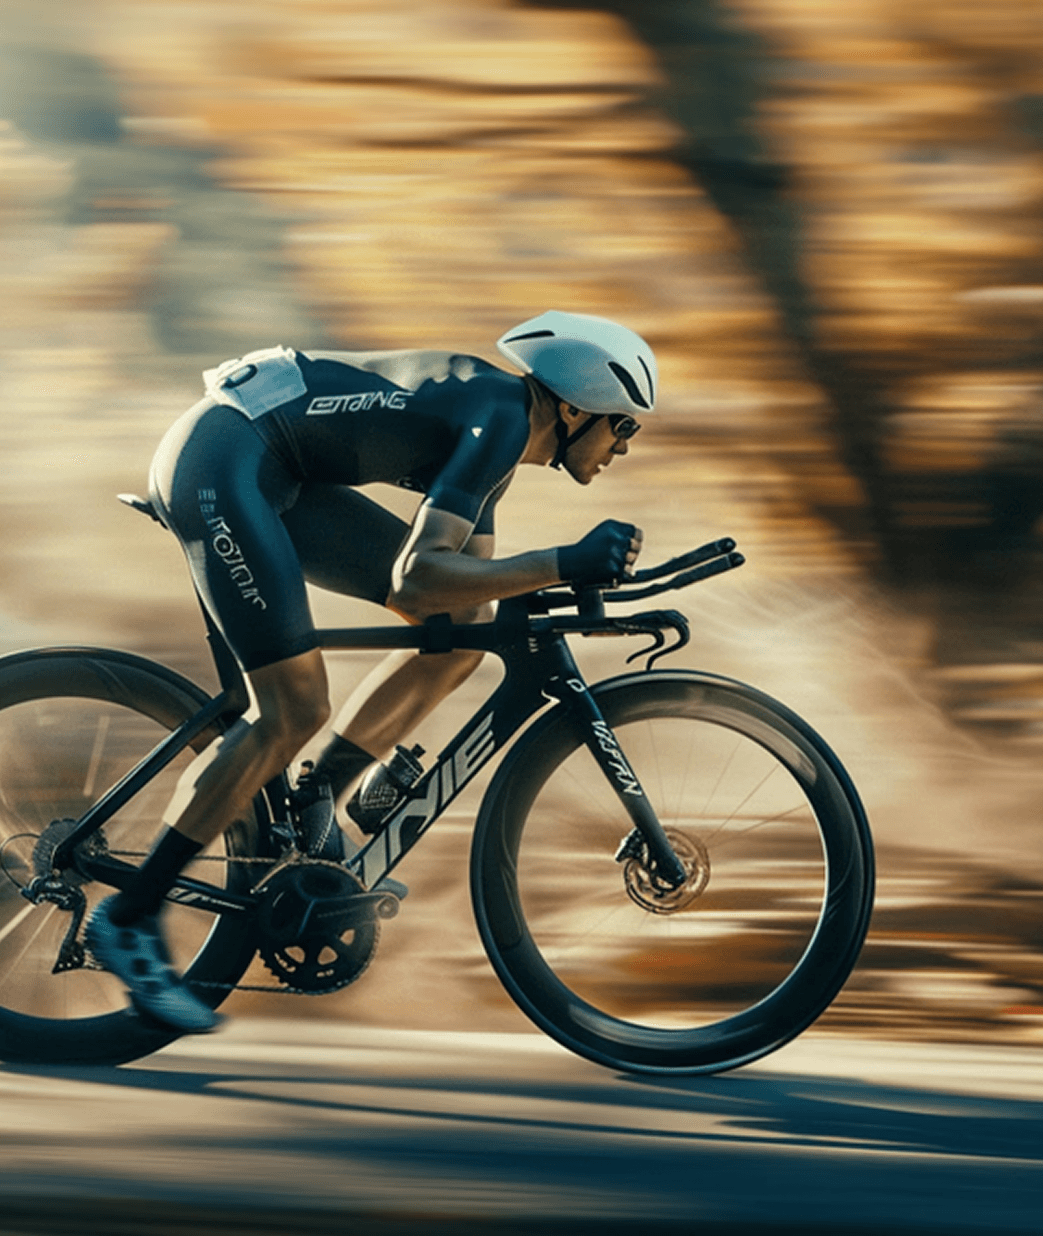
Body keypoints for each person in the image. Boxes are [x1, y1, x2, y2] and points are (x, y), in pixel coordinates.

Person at [85, 310, 655, 1032]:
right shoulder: (502, 418)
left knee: (464, 635)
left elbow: (458, 593)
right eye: (623, 425)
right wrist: (564, 561)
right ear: (574, 407)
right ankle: (130, 917)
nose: (625, 447)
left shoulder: (501, 438)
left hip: (276, 468)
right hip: (222, 461)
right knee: (290, 709)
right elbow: (421, 579)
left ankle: (318, 794)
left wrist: (562, 582)